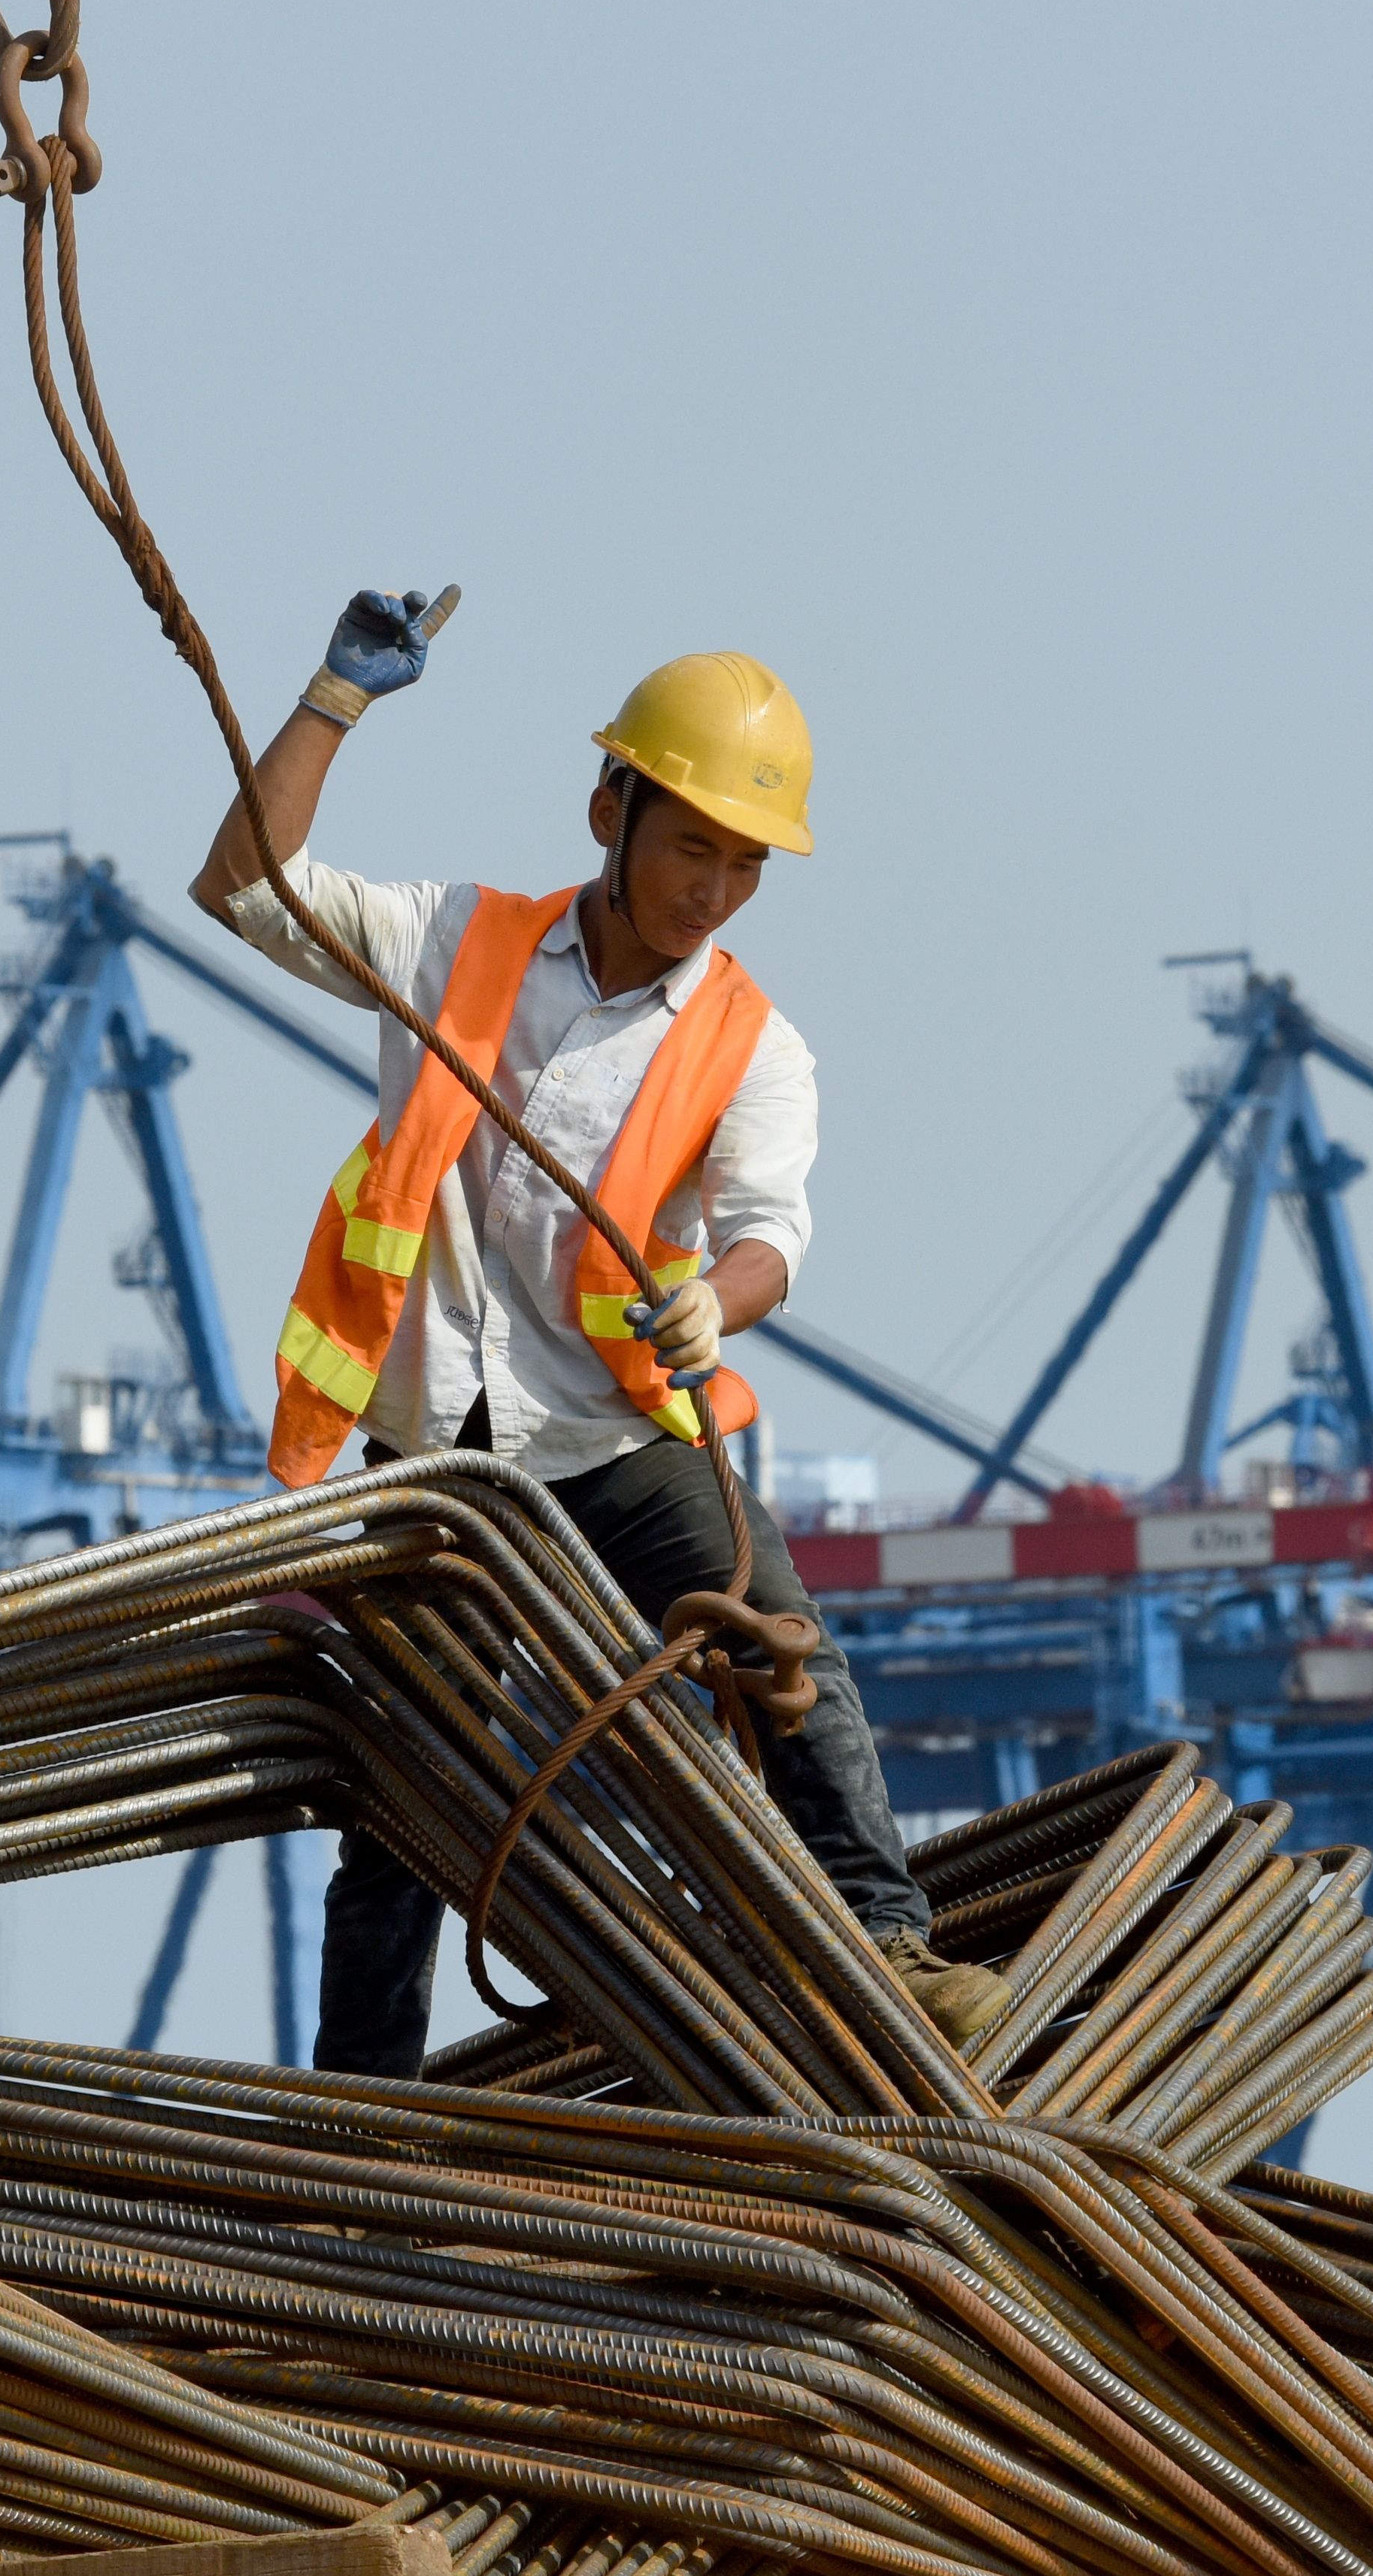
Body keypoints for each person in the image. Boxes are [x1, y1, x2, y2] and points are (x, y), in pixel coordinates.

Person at [195, 593, 1005, 2076]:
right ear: (608, 811)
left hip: (611, 1440)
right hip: (431, 1445)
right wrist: (332, 700)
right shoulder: (456, 942)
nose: (717, 886)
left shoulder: (756, 1044)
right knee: (405, 1794)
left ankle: (888, 1943)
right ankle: (358, 2116)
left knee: (780, 1642)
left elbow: (771, 1230)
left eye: (746, 860)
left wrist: (722, 1297)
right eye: (693, 842)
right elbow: (242, 885)